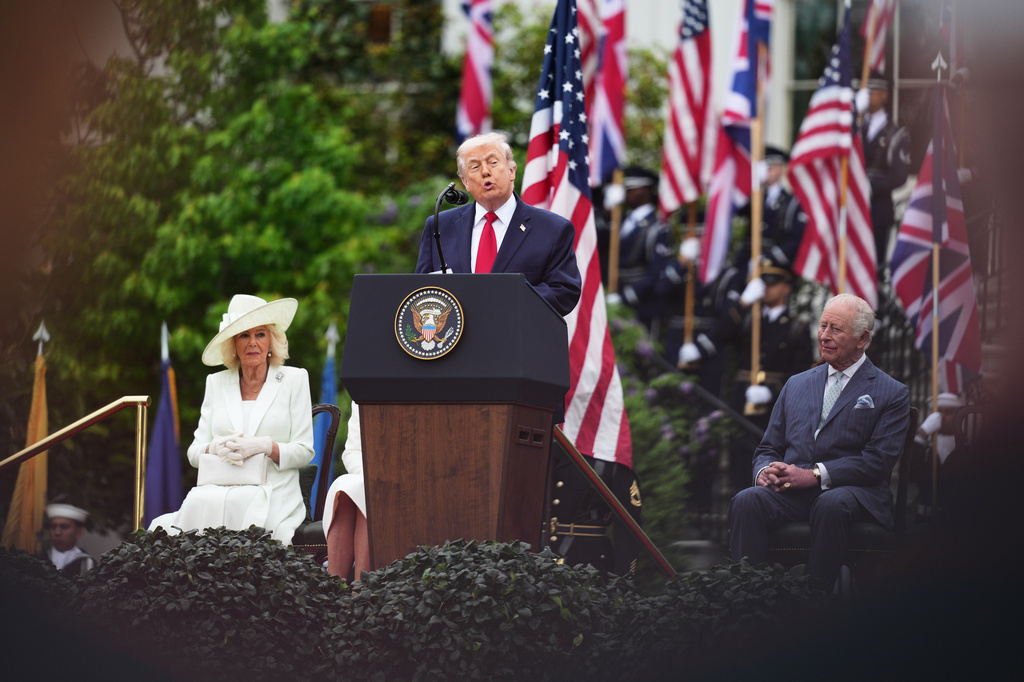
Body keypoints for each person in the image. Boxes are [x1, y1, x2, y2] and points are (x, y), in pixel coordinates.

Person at [728, 293, 910, 590]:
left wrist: (814, 475)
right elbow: (767, 448)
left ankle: (814, 604)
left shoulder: (892, 393)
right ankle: (748, 601)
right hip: (793, 494)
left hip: (854, 495)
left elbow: (877, 462)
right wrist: (764, 472)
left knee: (830, 503)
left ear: (862, 339)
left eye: (835, 329)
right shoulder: (796, 383)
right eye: (822, 326)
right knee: (746, 500)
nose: (824, 336)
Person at [149, 294, 315, 544]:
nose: (252, 343)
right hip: (218, 488)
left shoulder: (294, 379)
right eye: (243, 335)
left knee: (241, 509)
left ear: (272, 340)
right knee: (170, 522)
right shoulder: (215, 382)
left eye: (260, 334)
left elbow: (305, 451)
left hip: (273, 492)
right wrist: (213, 447)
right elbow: (194, 454)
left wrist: (265, 447)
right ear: (233, 344)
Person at [415, 131, 582, 317]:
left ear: (511, 171)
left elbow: (564, 292)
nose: (485, 171)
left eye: (493, 162)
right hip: (455, 340)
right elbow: (421, 290)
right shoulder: (439, 226)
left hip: (517, 338)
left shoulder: (552, 229)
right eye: (475, 167)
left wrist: (505, 300)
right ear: (465, 182)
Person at [603, 166, 674, 333]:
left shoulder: (658, 226)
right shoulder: (620, 219)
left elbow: (657, 271)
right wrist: (607, 210)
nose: (627, 193)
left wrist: (626, 297)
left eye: (632, 188)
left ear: (646, 190)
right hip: (615, 293)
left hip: (643, 303)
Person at [856, 71, 911, 269]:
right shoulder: (854, 128)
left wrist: (870, 186)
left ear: (885, 95)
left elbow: (899, 176)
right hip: (853, 205)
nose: (869, 95)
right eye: (866, 91)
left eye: (874, 91)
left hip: (878, 206)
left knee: (875, 263)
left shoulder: (897, 133)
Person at [323, 401, 369, 581]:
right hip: (372, 473)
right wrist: (373, 475)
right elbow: (352, 452)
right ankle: (334, 589)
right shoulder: (367, 390)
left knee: (368, 491)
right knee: (345, 485)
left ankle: (361, 592)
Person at [908, 392, 965, 523]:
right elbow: (909, 475)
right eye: (939, 412)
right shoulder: (926, 447)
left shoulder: (966, 446)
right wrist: (922, 436)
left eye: (948, 412)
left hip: (955, 521)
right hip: (925, 518)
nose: (942, 417)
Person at [40, 503, 96, 576]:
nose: (57, 532)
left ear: (78, 532)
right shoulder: (39, 559)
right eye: (53, 527)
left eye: (64, 527)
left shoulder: (87, 564)